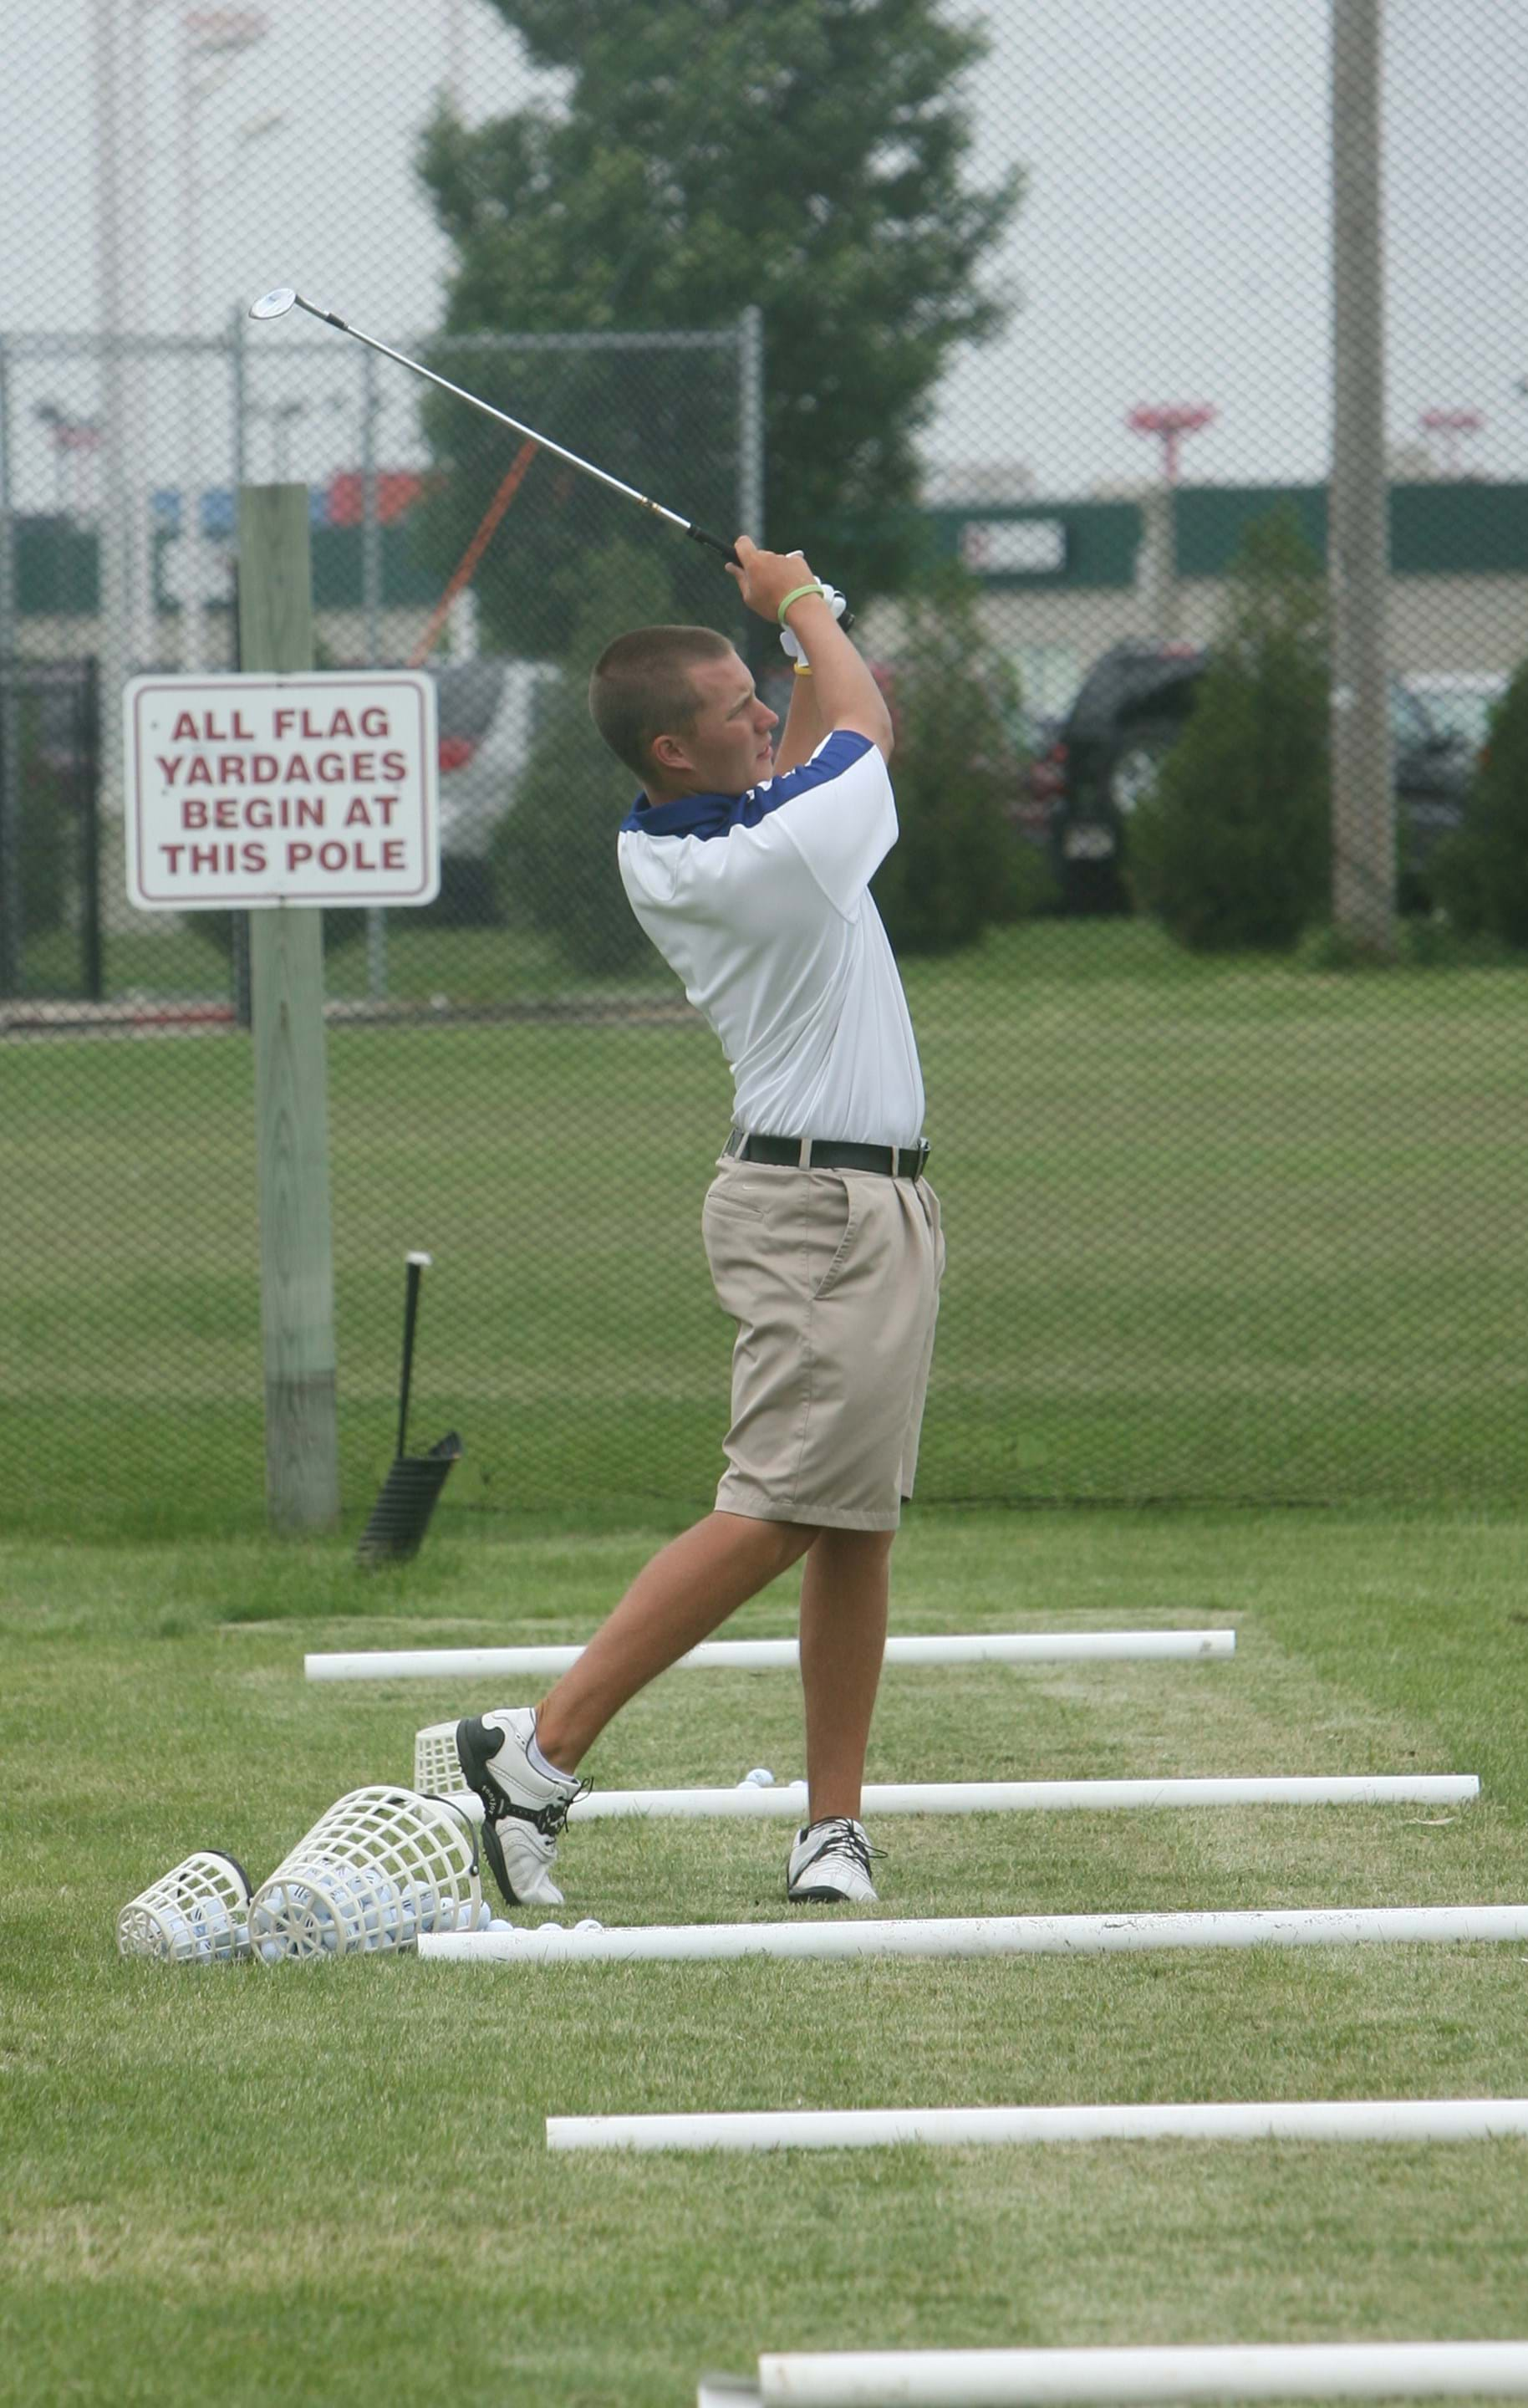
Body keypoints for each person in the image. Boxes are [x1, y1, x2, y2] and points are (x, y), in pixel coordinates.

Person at [456, 538, 945, 1909]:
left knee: (853, 1523)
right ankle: (532, 1760)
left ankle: (829, 1828)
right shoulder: (751, 861)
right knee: (779, 1510)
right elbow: (864, 725)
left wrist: (791, 640)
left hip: (878, 1199)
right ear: (673, 750)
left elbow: (800, 751)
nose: (758, 715)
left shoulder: (735, 823)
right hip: (811, 1208)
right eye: (734, 706)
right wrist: (797, 604)